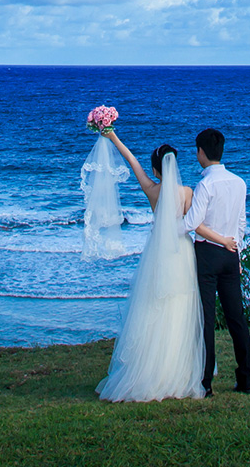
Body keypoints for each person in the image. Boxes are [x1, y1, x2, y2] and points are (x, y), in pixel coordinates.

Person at [93, 127, 207, 401]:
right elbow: (196, 226)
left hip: (158, 253)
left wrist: (112, 136)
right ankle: (177, 371)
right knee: (181, 308)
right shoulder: (188, 192)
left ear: (156, 169)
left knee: (154, 308)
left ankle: (150, 370)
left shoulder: (151, 190)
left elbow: (132, 162)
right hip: (182, 254)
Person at [185, 127, 250, 394]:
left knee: (206, 319)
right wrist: (237, 253)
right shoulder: (239, 182)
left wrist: (171, 225)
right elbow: (241, 223)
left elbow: (192, 223)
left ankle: (206, 383)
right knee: (236, 316)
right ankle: (246, 379)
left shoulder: (205, 185)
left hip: (207, 254)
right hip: (230, 252)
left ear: (201, 152)